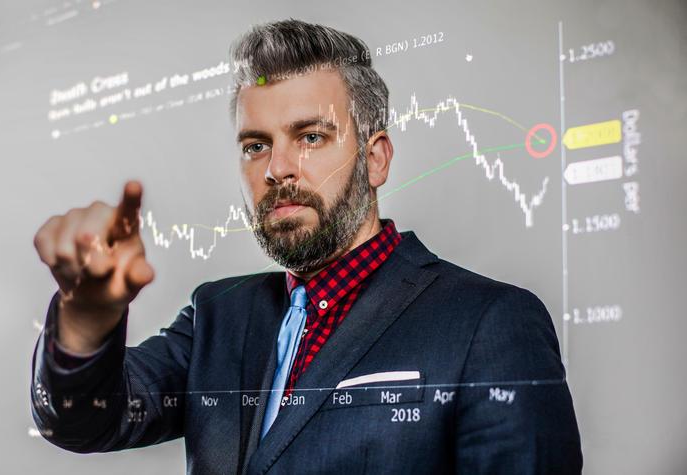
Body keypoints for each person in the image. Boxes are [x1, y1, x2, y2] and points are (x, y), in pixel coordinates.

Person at [30, 19, 582, 474]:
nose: (276, 169)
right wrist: (87, 319)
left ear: (376, 158)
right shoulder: (217, 317)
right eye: (255, 145)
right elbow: (86, 421)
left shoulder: (491, 322)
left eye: (310, 137)